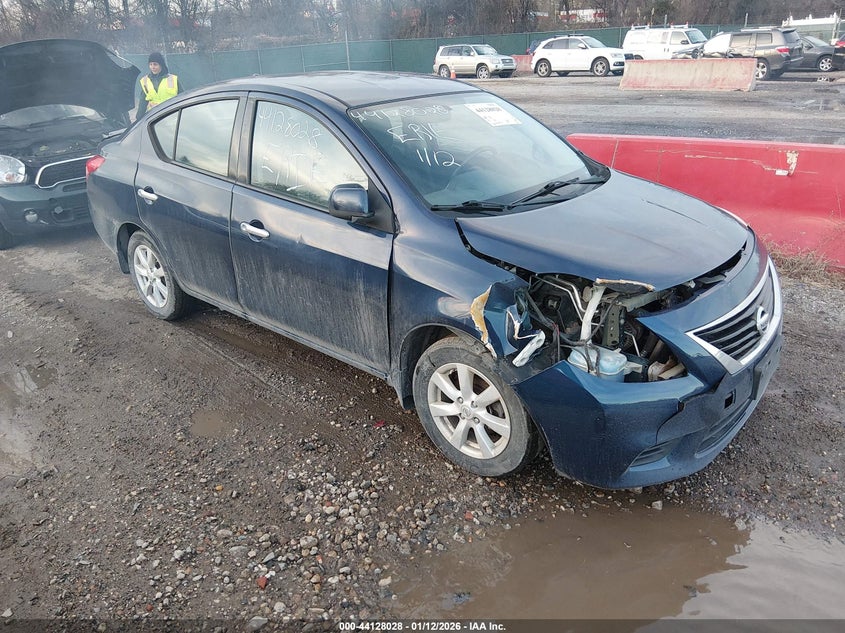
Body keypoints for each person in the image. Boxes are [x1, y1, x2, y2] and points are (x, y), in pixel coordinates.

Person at [137, 52, 182, 118]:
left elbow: (182, 97)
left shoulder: (173, 79)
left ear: (161, 65)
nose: (152, 67)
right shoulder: (145, 81)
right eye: (150, 64)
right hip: (155, 119)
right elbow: (142, 103)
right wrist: (138, 119)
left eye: (155, 64)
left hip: (172, 116)